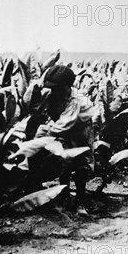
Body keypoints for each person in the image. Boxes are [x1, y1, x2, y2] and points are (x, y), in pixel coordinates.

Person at [35, 65, 95, 215]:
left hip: (82, 130)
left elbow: (65, 123)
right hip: (63, 130)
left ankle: (80, 199)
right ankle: (64, 196)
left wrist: (42, 135)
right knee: (64, 160)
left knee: (82, 163)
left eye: (58, 88)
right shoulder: (53, 95)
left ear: (68, 86)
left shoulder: (75, 99)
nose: (54, 91)